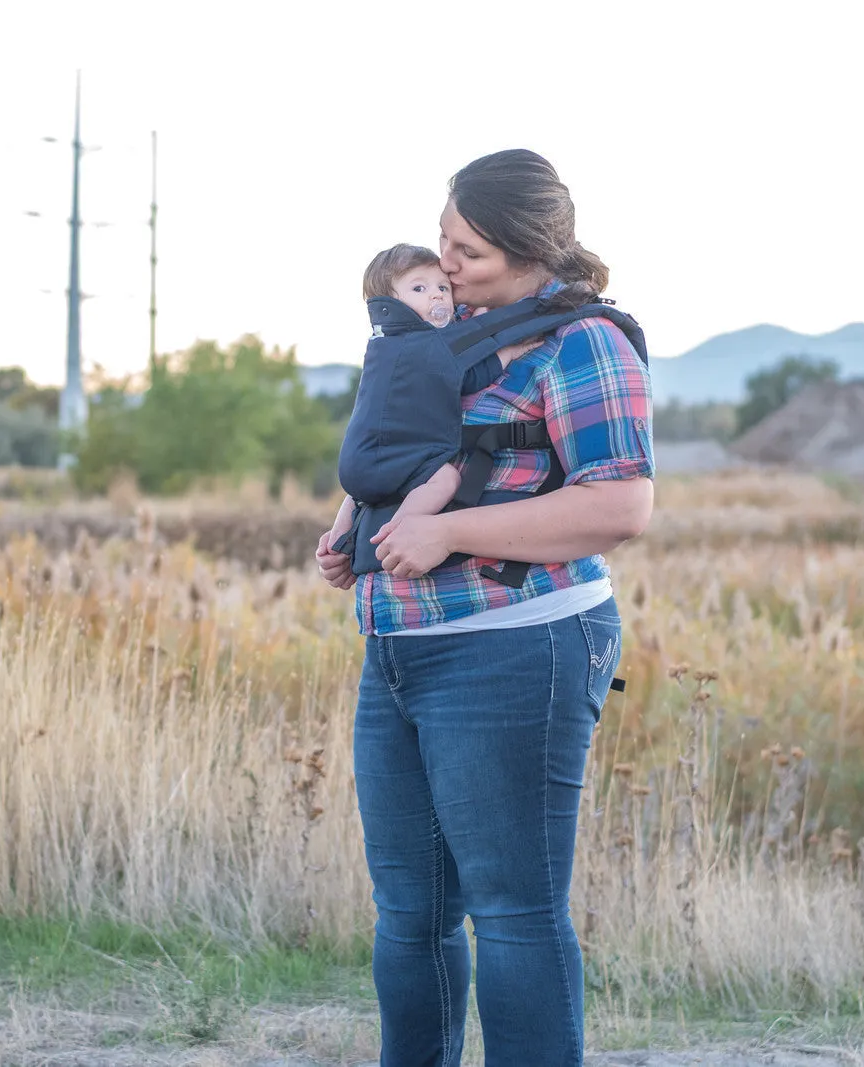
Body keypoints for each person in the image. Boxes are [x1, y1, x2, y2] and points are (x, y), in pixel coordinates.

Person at [314, 149, 655, 1066]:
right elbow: (398, 447)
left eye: (466, 248)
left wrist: (451, 533)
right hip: (397, 648)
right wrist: (354, 522)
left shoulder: (584, 342)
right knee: (410, 914)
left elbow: (619, 505)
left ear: (525, 245)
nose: (446, 263)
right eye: (442, 241)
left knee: (511, 911)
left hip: (518, 646)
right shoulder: (439, 334)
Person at [321, 243, 540, 563]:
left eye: (442, 287)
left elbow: (447, 369)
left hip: (360, 464)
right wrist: (506, 350)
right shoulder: (423, 344)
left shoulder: (384, 343)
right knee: (447, 479)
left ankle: (344, 536)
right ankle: (397, 531)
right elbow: (468, 377)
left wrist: (469, 328)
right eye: (419, 288)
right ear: (390, 302)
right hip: (396, 462)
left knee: (377, 491)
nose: (437, 296)